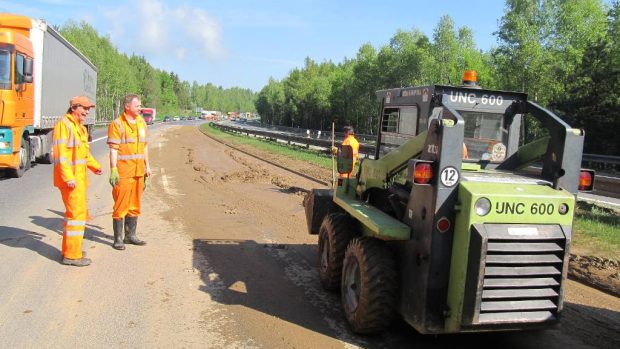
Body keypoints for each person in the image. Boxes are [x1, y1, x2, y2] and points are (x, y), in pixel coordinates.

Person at [52, 95, 102, 266]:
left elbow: (84, 154)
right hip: (70, 181)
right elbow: (61, 156)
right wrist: (68, 178)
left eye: (88, 109)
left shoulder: (80, 127)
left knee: (75, 216)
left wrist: (95, 166)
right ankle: (72, 256)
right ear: (74, 108)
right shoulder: (64, 126)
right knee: (76, 216)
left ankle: (72, 250)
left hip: (79, 180)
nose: (87, 112)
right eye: (84, 108)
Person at [107, 94, 151, 250]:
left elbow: (145, 146)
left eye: (140, 105)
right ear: (127, 107)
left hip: (139, 172)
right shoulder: (117, 125)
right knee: (121, 205)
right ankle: (118, 239)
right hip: (124, 172)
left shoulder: (141, 123)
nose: (140, 108)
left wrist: (147, 166)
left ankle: (130, 236)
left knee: (135, 205)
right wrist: (113, 169)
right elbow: (113, 149)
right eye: (137, 106)